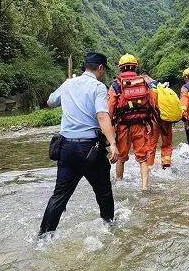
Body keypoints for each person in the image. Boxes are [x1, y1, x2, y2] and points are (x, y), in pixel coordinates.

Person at [39, 52, 119, 236]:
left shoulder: (68, 83)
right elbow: (102, 115)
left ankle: (43, 236)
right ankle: (109, 228)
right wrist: (113, 143)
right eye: (104, 70)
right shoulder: (98, 87)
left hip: (66, 147)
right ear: (100, 68)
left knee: (59, 195)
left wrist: (68, 86)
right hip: (90, 148)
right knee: (104, 193)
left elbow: (50, 102)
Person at [108, 54, 156, 190]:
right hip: (141, 125)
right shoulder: (144, 82)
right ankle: (145, 187)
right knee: (143, 158)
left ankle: (119, 183)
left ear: (120, 68)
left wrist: (109, 125)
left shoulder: (116, 84)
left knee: (121, 157)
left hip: (123, 126)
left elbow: (111, 107)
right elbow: (152, 102)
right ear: (135, 66)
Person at [143, 75, 173, 169]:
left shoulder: (149, 91)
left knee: (151, 144)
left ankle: (150, 166)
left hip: (154, 121)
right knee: (167, 143)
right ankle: (166, 164)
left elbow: (147, 107)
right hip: (167, 119)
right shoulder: (164, 88)